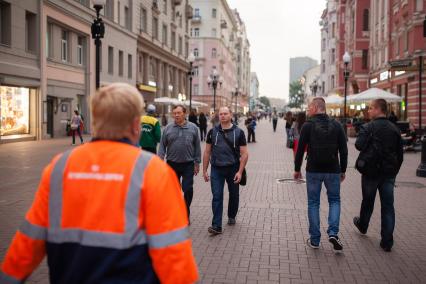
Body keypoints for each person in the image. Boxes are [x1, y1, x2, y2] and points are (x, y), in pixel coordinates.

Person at [0, 83, 198, 283]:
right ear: (135, 124)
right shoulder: (154, 172)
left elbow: (26, 246)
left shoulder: (60, 167)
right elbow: (175, 259)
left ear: (95, 121)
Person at [294, 97, 348, 252]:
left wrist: (297, 169)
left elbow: (300, 149)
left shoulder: (308, 126)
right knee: (335, 201)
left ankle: (315, 239)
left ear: (316, 107)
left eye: (310, 107)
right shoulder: (337, 125)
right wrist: (343, 170)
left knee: (313, 203)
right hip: (333, 170)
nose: (308, 109)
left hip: (314, 170)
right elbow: (344, 151)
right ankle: (333, 233)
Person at [353, 99, 403, 252]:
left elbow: (358, 145)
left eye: (370, 108)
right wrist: (394, 171)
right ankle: (387, 241)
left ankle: (363, 225)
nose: (368, 111)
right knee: (388, 206)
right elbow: (400, 155)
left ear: (377, 109)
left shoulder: (368, 127)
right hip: (388, 173)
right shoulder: (394, 129)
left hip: (370, 171)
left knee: (368, 201)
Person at [203, 107, 248, 235]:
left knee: (234, 195)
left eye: (225, 114)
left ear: (231, 114)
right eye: (221, 114)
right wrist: (205, 170)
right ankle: (216, 225)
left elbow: (244, 154)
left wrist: (240, 171)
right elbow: (207, 152)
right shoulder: (212, 132)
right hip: (216, 168)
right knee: (217, 196)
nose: (222, 116)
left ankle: (231, 215)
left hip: (233, 168)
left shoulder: (239, 132)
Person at [158, 105, 201, 219]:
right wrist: (159, 161)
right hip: (172, 164)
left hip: (188, 164)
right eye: (174, 113)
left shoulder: (193, 128)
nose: (176, 115)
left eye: (179, 113)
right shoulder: (168, 128)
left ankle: (185, 212)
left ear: (184, 114)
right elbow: (162, 146)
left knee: (187, 189)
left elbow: (197, 146)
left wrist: (197, 163)